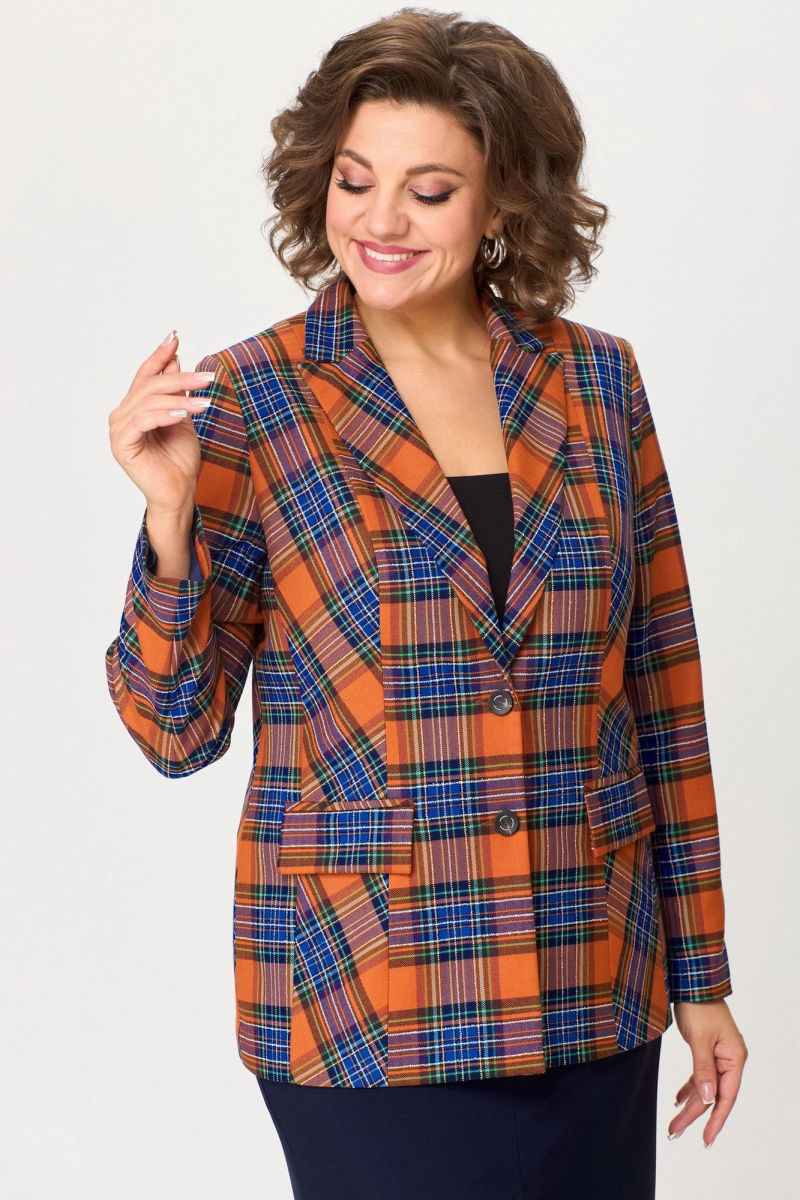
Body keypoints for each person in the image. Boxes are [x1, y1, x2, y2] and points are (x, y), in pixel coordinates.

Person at [105, 9, 747, 1199]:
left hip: (590, 973)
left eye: (429, 190)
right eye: (354, 182)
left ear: (502, 202)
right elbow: (173, 730)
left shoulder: (597, 380)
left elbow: (663, 695)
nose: (379, 222)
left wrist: (700, 973)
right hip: (368, 995)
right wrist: (168, 523)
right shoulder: (251, 398)